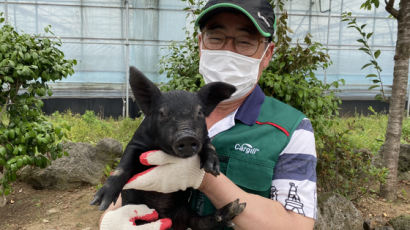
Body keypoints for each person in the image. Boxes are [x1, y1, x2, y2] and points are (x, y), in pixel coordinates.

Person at [99, 0, 317, 229]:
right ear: (200, 44)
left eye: (244, 42)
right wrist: (111, 219)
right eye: (216, 38)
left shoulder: (291, 129)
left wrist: (205, 180)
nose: (228, 51)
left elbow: (297, 225)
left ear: (267, 54)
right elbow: (134, 180)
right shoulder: (164, 113)